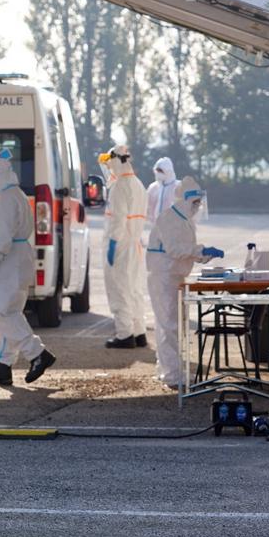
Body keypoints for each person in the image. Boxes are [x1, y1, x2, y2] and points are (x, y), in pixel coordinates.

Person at [0, 145, 56, 386]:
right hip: (17, 258)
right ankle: (3, 365)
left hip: (9, 261)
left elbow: (1, 235)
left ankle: (37, 354)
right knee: (9, 314)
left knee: (1, 312)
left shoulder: (5, 198)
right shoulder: (14, 194)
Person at [145, 177, 224, 389]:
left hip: (174, 277)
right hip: (163, 277)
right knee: (169, 326)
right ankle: (171, 375)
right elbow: (176, 250)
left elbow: (185, 250)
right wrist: (201, 251)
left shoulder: (184, 219)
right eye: (195, 203)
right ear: (185, 200)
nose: (198, 207)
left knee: (171, 325)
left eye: (199, 203)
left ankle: (167, 370)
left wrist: (204, 254)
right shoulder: (169, 218)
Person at [100, 145, 149, 349]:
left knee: (119, 288)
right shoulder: (138, 184)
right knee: (135, 289)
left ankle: (124, 334)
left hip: (120, 244)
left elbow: (118, 219)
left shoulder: (120, 186)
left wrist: (112, 243)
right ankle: (139, 332)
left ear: (116, 161)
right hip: (135, 244)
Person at [145, 156, 180, 226]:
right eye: (157, 171)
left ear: (168, 171)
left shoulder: (179, 186)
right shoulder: (153, 187)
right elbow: (146, 204)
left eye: (160, 171)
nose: (158, 173)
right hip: (156, 226)